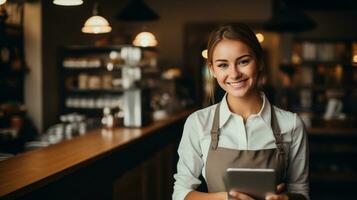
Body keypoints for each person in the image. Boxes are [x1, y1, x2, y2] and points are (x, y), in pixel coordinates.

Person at [172, 24, 309, 200]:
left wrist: (288, 199)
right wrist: (225, 198)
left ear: (259, 62)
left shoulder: (291, 124)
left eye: (243, 61)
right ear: (212, 69)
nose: (234, 74)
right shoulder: (198, 123)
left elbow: (302, 192)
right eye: (223, 65)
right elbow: (181, 193)